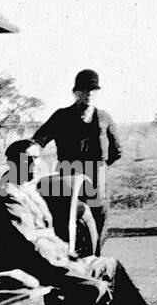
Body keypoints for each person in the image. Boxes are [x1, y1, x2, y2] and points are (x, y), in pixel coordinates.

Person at [0, 139, 157, 305]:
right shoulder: (9, 193)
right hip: (37, 264)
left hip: (53, 257)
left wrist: (69, 256)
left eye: (36, 159)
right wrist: (66, 261)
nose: (34, 165)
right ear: (13, 163)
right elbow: (27, 241)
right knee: (96, 288)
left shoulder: (28, 188)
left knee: (111, 268)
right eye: (28, 160)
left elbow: (46, 233)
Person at [32, 69, 122, 251]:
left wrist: (99, 168)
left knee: (98, 223)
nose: (89, 94)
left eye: (93, 90)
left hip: (98, 179)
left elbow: (117, 151)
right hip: (69, 178)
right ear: (75, 92)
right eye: (84, 90)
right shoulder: (61, 116)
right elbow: (38, 141)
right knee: (68, 224)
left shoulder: (104, 118)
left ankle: (95, 262)